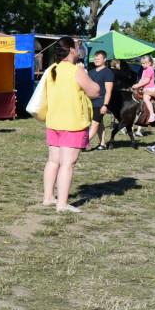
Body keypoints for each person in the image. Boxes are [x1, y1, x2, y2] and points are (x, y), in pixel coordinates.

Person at [41, 36, 99, 213]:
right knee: (68, 164)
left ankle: (49, 197)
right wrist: (85, 72)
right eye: (76, 47)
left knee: (53, 161)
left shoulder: (52, 69)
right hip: (72, 122)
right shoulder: (76, 70)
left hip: (54, 121)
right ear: (71, 50)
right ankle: (63, 204)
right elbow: (95, 91)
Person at [86, 50, 115, 150]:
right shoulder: (91, 72)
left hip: (101, 102)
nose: (96, 60)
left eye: (99, 59)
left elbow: (108, 91)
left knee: (95, 123)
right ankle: (103, 144)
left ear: (105, 59)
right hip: (91, 102)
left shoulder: (108, 73)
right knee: (100, 122)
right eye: (95, 58)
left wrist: (105, 105)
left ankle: (83, 144)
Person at [130, 54, 155, 135]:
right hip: (144, 87)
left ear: (149, 63)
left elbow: (147, 81)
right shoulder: (144, 70)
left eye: (145, 63)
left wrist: (138, 85)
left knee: (146, 99)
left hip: (150, 88)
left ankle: (152, 114)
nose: (143, 65)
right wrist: (137, 86)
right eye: (142, 63)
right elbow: (142, 79)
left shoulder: (150, 69)